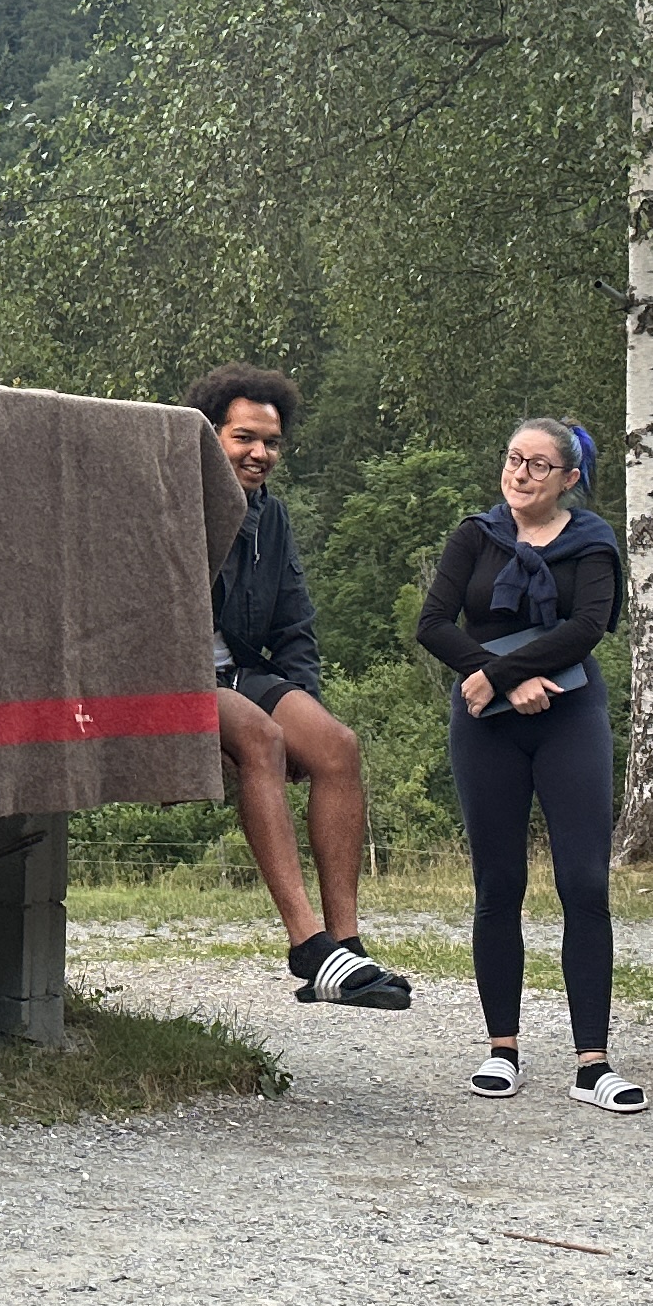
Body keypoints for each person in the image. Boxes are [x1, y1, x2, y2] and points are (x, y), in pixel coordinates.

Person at [419, 418, 640, 1111]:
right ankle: (502, 1050)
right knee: (498, 883)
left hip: (570, 716)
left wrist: (501, 673)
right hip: (485, 722)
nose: (521, 473)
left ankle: (593, 1064)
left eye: (539, 465)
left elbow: (588, 627)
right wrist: (498, 679)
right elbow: (434, 623)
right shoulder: (475, 536)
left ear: (569, 479)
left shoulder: (593, 543)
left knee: (584, 882)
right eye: (515, 459)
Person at [190, 365, 407, 1009]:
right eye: (244, 437)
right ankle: (308, 944)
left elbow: (294, 624)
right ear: (208, 436)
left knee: (337, 745)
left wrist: (302, 698)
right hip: (178, 674)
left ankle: (345, 942)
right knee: (262, 738)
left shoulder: (271, 518)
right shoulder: (174, 501)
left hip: (239, 669)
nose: (260, 453)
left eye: (272, 442)